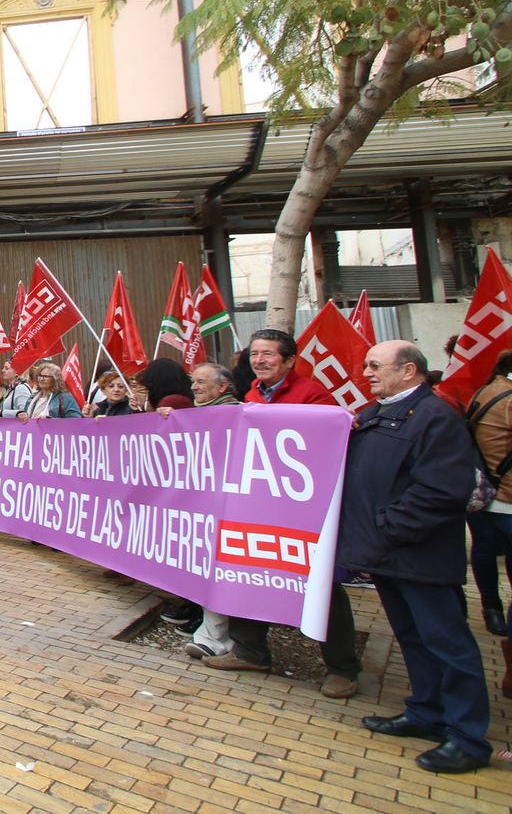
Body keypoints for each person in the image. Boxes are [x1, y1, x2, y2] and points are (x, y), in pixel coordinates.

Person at [345, 341, 489, 774]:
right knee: (412, 638)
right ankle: (426, 712)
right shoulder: (377, 413)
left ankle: (467, 738)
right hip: (388, 554)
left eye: (375, 366)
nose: (366, 372)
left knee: (449, 645)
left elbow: (440, 492)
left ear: (408, 371)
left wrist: (387, 528)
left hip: (418, 557)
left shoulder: (436, 417)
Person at [202, 329, 359, 700]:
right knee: (246, 573)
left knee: (322, 587)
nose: (259, 360)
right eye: (254, 354)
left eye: (268, 354)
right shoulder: (253, 395)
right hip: (259, 506)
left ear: (289, 360)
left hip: (302, 512)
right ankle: (250, 651)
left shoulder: (313, 395)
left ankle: (343, 669)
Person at [159, 362, 242, 659]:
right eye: (192, 381)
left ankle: (216, 637)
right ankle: (210, 631)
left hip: (223, 506)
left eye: (201, 382)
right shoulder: (200, 413)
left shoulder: (235, 413)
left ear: (222, 388)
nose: (194, 387)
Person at [468, 350, 512, 681]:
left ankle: (492, 609)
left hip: (483, 494)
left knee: (484, 549)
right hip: (505, 497)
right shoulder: (507, 398)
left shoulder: (484, 391)